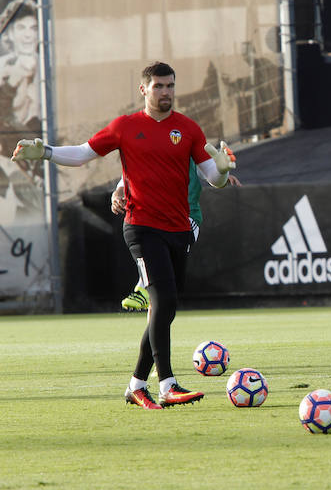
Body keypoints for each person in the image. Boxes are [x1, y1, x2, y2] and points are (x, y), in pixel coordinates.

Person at [11, 61, 236, 410]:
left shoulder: (188, 129)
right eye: (159, 86)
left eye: (171, 86)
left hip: (178, 228)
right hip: (142, 227)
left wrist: (221, 171)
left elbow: (212, 177)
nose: (166, 92)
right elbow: (84, 153)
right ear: (143, 89)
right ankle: (168, 384)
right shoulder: (126, 127)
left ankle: (135, 385)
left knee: (167, 308)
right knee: (161, 301)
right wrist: (47, 153)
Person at [116, 164, 241, 311]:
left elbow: (212, 174)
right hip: (158, 218)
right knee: (160, 292)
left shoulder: (189, 144)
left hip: (187, 219)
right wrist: (118, 193)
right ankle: (144, 291)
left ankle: (143, 288)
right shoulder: (151, 148)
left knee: (162, 288)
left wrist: (223, 175)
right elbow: (129, 174)